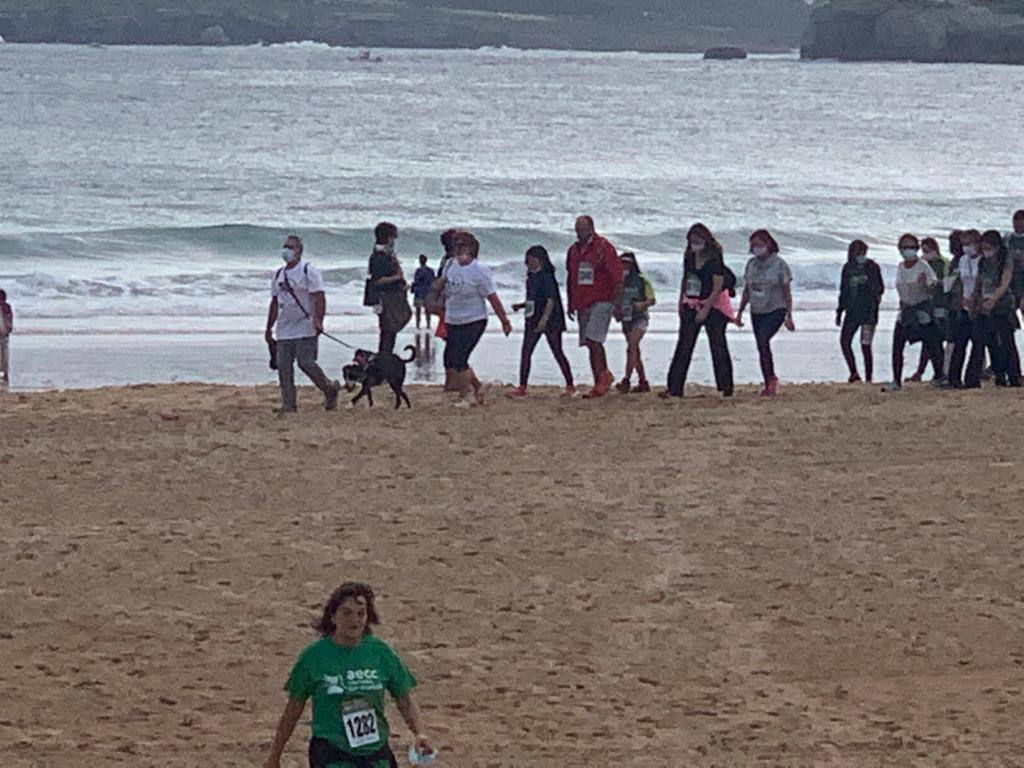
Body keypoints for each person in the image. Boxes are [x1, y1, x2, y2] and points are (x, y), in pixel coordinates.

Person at [263, 582, 434, 768]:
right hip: (332, 752)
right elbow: (292, 710)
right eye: (347, 613)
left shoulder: (381, 653)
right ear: (333, 617)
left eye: (361, 613)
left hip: (375, 753)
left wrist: (420, 733)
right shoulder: (313, 657)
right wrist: (275, 755)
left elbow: (404, 699)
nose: (355, 620)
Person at [265, 235, 341, 413]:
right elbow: (275, 302)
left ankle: (329, 388)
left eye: (290, 247)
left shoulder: (308, 271)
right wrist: (269, 328)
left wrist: (318, 320)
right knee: (283, 366)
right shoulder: (278, 275)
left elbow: (319, 297)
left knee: (306, 363)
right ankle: (289, 404)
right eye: (285, 246)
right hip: (284, 328)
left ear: (299, 251)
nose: (286, 250)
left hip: (306, 325)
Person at [661, 223, 734, 399]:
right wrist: (681, 302)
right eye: (692, 241)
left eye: (698, 240)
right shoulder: (689, 256)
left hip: (713, 305)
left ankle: (726, 387)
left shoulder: (715, 257)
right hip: (691, 302)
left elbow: (718, 285)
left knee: (718, 345)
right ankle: (674, 388)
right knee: (684, 345)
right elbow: (686, 279)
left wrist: (706, 308)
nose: (695, 244)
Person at [440, 230, 512, 407]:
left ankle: (465, 397)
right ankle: (479, 387)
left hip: (474, 319)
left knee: (460, 359)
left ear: (471, 248)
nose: (458, 249)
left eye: (462, 245)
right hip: (453, 318)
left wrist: (504, 321)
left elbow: (492, 297)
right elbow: (443, 289)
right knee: (450, 358)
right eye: (456, 245)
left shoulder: (479, 269)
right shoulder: (450, 264)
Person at [566, 215, 623, 398]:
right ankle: (601, 377)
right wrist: (570, 302)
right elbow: (571, 278)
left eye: (582, 229)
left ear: (591, 228)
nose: (579, 233)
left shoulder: (603, 247)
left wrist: (618, 303)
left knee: (594, 339)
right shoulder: (573, 251)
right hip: (583, 301)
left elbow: (617, 277)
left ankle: (602, 378)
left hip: (602, 299)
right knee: (589, 344)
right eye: (577, 229)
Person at [882, 234, 947, 392]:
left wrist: (926, 283)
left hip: (922, 307)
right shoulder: (900, 267)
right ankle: (896, 380)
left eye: (912, 247)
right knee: (897, 344)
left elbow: (934, 284)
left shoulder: (923, 265)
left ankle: (940, 376)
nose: (908, 250)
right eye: (905, 247)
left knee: (932, 343)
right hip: (906, 308)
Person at [510, 245, 574, 397]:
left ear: (539, 260)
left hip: (551, 320)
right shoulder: (530, 277)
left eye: (531, 259)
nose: (528, 263)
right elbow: (533, 300)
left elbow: (550, 300)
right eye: (527, 260)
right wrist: (521, 305)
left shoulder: (546, 276)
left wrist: (544, 320)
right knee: (526, 351)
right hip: (532, 318)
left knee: (557, 351)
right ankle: (522, 386)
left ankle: (570, 385)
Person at [735, 230, 794, 397]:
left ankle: (771, 379)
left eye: (760, 245)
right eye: (754, 245)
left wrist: (789, 315)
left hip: (776, 308)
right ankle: (769, 379)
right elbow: (747, 290)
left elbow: (787, 292)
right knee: (761, 346)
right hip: (757, 309)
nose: (757, 248)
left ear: (769, 245)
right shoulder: (751, 265)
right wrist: (739, 313)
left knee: (763, 338)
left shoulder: (779, 264)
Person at [967, 230, 1020, 387]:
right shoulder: (983, 261)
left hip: (1003, 305)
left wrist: (994, 298)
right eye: (983, 247)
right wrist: (974, 299)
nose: (985, 251)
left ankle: (1014, 377)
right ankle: (980, 379)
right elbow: (979, 281)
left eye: (988, 247)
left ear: (996, 247)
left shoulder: (1005, 259)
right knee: (982, 341)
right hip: (984, 306)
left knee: (1006, 342)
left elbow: (1005, 282)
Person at [835, 240, 884, 383]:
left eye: (863, 252)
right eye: (858, 253)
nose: (861, 255)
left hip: (869, 311)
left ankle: (869, 378)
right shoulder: (848, 268)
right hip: (851, 312)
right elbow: (843, 291)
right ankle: (854, 372)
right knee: (845, 341)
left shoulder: (872, 267)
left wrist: (868, 287)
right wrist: (839, 311)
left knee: (866, 345)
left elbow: (880, 288)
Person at [907, 237, 951, 382]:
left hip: (940, 305)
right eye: (923, 251)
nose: (925, 253)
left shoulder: (941, 263)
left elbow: (945, 284)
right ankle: (927, 372)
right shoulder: (922, 264)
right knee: (930, 341)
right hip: (927, 305)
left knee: (935, 341)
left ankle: (938, 372)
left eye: (927, 250)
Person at [365, 222, 412, 354]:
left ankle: (385, 356)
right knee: (388, 330)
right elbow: (377, 280)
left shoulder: (386, 254)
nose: (394, 241)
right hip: (386, 298)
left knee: (390, 330)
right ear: (388, 237)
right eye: (393, 237)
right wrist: (397, 277)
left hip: (392, 296)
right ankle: (384, 358)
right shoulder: (380, 256)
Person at [615, 252, 656, 394]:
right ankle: (643, 381)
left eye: (627, 263)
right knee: (634, 350)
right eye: (622, 263)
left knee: (631, 347)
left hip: (640, 318)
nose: (624, 266)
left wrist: (642, 304)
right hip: (626, 319)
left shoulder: (641, 280)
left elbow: (652, 299)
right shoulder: (618, 282)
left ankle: (626, 379)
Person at [948, 229, 984, 388]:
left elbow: (982, 282)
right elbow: (962, 281)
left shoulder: (983, 260)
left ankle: (972, 379)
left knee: (978, 344)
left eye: (969, 243)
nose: (966, 247)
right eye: (964, 244)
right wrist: (963, 299)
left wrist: (975, 301)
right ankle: (954, 378)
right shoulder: (963, 260)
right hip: (964, 304)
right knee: (960, 343)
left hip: (979, 305)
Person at [410, 255, 435, 331]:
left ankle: (418, 326)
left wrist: (412, 288)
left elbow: (416, 281)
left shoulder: (418, 271)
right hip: (428, 292)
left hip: (419, 292)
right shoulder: (430, 270)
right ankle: (428, 325)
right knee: (428, 310)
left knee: (418, 310)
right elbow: (433, 281)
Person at [0, 288, 12, 385]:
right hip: (5, 333)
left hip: (3, 333)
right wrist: (9, 328)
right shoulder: (7, 307)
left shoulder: (6, 307)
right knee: (4, 354)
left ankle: (3, 373)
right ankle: (4, 373)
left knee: (4, 355)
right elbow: (9, 320)